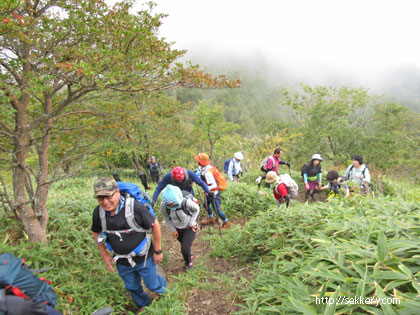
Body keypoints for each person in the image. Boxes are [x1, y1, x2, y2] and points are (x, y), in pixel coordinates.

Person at [91, 178, 166, 312]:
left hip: (143, 256)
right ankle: (144, 305)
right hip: (121, 260)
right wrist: (105, 255)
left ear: (117, 192)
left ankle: (165, 293)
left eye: (108, 196)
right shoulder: (99, 213)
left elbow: (155, 226)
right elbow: (96, 232)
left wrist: (158, 251)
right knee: (132, 286)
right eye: (101, 198)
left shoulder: (134, 207)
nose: (105, 202)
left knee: (152, 284)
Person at [160, 185, 200, 271]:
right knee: (184, 244)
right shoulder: (164, 205)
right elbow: (166, 218)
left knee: (184, 249)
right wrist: (173, 230)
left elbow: (196, 209)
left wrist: (192, 223)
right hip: (177, 228)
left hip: (189, 227)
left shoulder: (185, 202)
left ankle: (188, 263)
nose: (172, 206)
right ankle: (188, 254)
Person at [194, 153, 231, 230]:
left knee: (217, 210)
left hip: (213, 193)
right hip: (208, 193)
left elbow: (213, 185)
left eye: (198, 160)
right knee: (206, 205)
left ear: (201, 162)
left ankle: (226, 222)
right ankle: (211, 219)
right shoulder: (206, 169)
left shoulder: (208, 172)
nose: (197, 161)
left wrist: (204, 186)